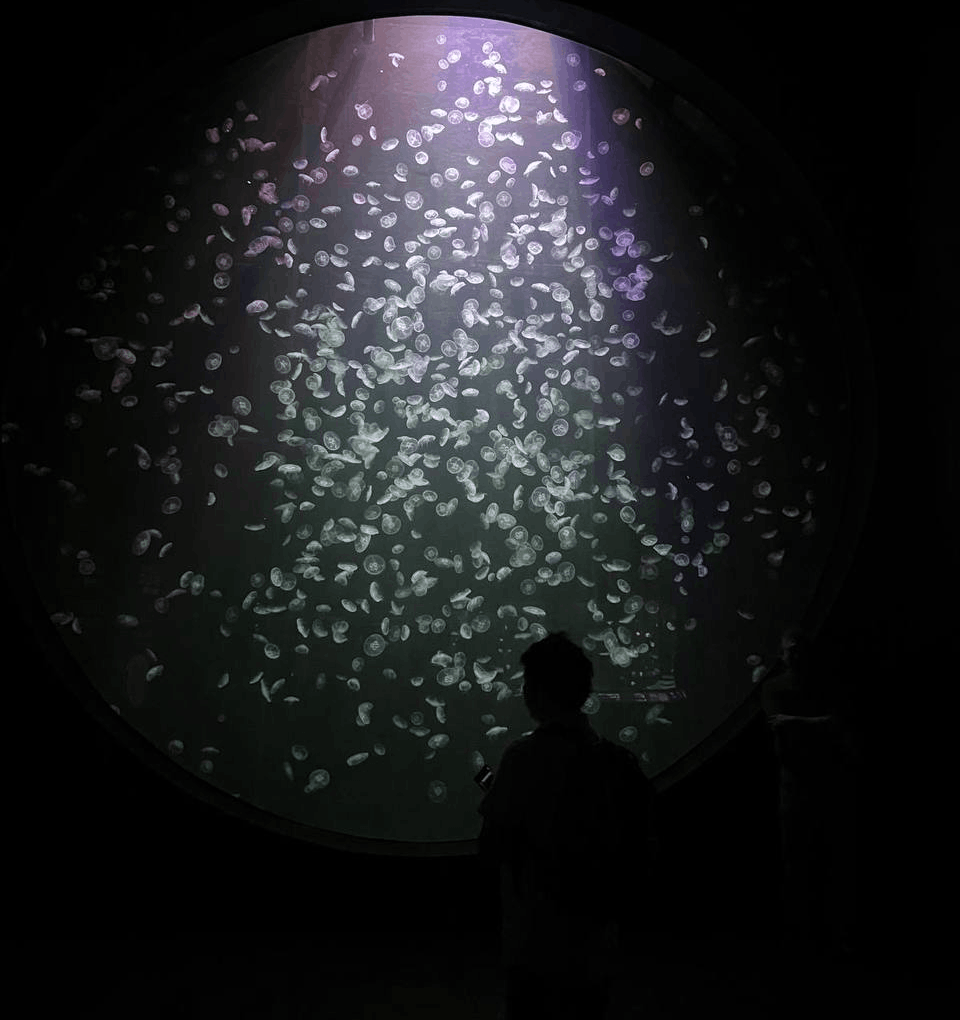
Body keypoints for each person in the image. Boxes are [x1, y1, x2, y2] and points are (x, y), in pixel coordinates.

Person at [477, 632, 656, 1020]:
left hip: (534, 938)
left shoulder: (522, 759)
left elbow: (490, 846)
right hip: (595, 938)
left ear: (538, 691)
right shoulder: (617, 762)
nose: (524, 692)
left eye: (527, 683)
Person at [760, 625, 860, 964]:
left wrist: (797, 722)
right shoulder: (774, 687)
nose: (795, 655)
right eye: (790, 649)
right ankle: (800, 937)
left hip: (829, 782)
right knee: (797, 859)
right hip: (796, 782)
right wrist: (820, 723)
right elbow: (785, 723)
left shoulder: (826, 686)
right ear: (782, 654)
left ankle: (836, 934)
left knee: (835, 858)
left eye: (800, 649)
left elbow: (837, 723)